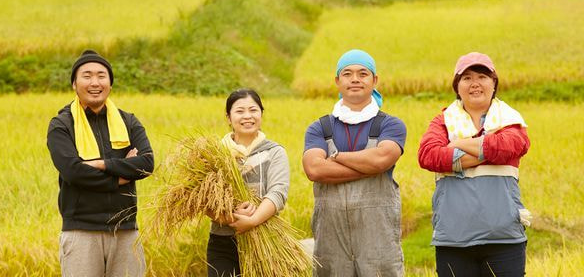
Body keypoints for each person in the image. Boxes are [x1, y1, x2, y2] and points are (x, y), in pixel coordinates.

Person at [418, 52, 531, 277]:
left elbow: (511, 146)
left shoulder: (510, 119)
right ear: (457, 86)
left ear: (494, 83)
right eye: (467, 78)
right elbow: (428, 155)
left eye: (482, 76)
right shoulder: (442, 121)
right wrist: (487, 151)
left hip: (504, 238)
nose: (475, 83)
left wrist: (458, 144)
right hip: (454, 238)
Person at [47, 50, 154, 277]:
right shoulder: (62, 124)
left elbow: (146, 163)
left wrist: (102, 164)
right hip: (81, 231)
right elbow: (74, 172)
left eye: (101, 75)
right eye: (86, 76)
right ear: (75, 84)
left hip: (125, 231)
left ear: (110, 84)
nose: (95, 82)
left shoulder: (128, 121)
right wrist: (122, 174)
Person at [302, 49, 407, 276]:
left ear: (374, 80)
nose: (355, 79)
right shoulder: (320, 127)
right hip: (331, 238)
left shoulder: (390, 125)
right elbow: (314, 168)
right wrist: (369, 166)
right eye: (347, 74)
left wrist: (338, 157)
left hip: (377, 240)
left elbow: (381, 158)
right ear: (337, 81)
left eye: (363, 73)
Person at [207, 88, 291, 277]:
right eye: (239, 111)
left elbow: (278, 193)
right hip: (222, 243)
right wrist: (229, 218)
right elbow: (204, 200)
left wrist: (252, 220)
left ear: (261, 114)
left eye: (253, 110)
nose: (247, 116)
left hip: (267, 239)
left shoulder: (275, 152)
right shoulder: (214, 155)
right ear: (228, 117)